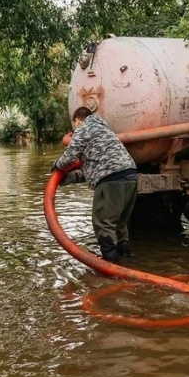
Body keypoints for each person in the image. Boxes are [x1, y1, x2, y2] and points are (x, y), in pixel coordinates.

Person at [52, 107, 138, 262]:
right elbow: (97, 167)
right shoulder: (104, 130)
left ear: (77, 120)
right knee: (119, 224)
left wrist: (57, 165)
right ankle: (125, 263)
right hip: (130, 177)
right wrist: (72, 178)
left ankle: (110, 266)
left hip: (112, 181)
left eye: (74, 125)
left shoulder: (85, 128)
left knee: (103, 223)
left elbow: (70, 155)